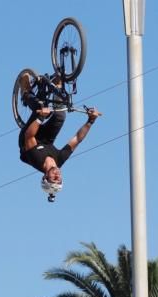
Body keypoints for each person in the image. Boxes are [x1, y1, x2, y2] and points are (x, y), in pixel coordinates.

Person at [16, 72, 102, 202]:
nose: (57, 175)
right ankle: (56, 87)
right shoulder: (60, 160)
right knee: (60, 116)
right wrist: (90, 121)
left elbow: (29, 136)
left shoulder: (36, 159)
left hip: (29, 136)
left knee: (40, 108)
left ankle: (25, 90)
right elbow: (77, 139)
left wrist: (40, 118)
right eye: (59, 179)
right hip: (46, 139)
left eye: (53, 178)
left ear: (45, 177)